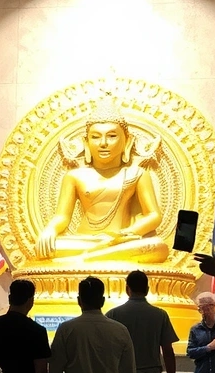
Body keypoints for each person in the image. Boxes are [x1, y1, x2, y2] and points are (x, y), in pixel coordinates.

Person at [34, 106, 169, 265]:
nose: (103, 143)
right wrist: (50, 230)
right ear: (86, 142)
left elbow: (154, 215)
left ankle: (82, 260)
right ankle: (95, 254)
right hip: (84, 241)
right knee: (45, 247)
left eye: (112, 136)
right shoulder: (74, 176)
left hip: (120, 241)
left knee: (157, 247)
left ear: (127, 141)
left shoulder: (137, 174)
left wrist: (122, 235)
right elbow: (62, 216)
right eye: (96, 137)